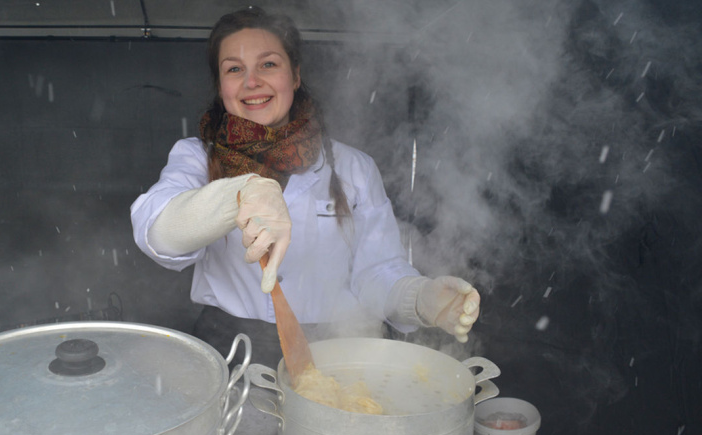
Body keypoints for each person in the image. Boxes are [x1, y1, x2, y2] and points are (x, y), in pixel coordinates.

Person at [130, 6, 480, 366]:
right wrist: (242, 194)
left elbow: (376, 271)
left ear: (295, 75)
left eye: (268, 64)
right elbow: (158, 234)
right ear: (221, 87)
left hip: (341, 350)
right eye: (234, 69)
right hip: (231, 350)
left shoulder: (353, 168)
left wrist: (422, 298)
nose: (252, 81)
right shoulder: (195, 157)